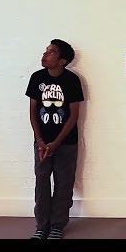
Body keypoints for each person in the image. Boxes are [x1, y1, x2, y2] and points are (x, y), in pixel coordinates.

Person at [25, 39, 84, 239]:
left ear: (62, 60)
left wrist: (56, 143)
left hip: (66, 143)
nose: (45, 54)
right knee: (41, 182)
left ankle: (57, 225)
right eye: (46, 50)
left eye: (51, 52)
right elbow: (33, 112)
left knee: (63, 183)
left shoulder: (72, 81)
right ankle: (42, 226)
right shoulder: (36, 78)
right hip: (42, 143)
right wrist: (40, 141)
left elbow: (73, 115)